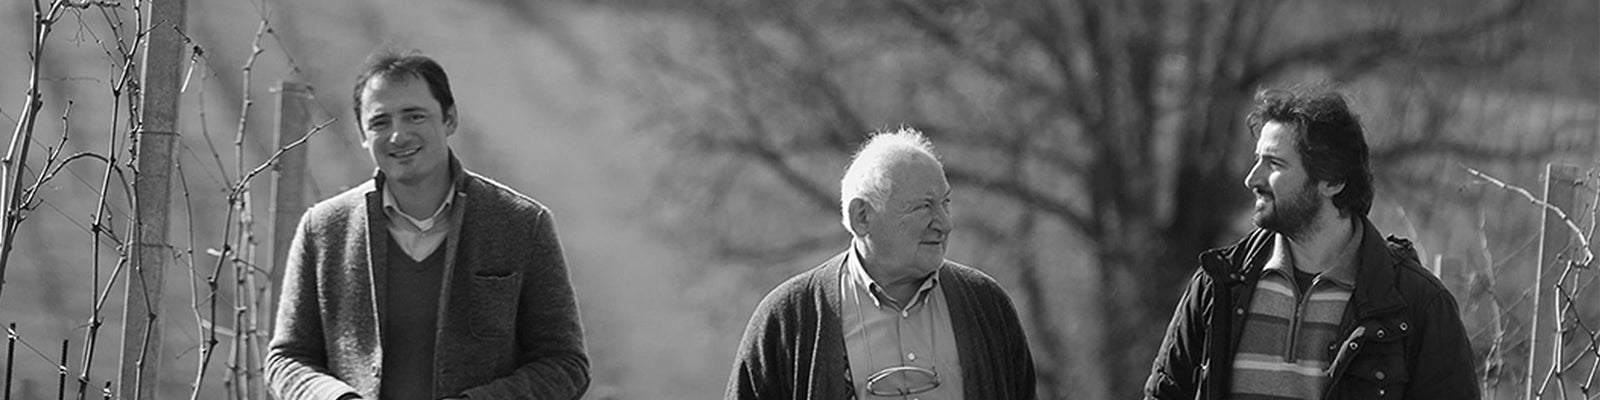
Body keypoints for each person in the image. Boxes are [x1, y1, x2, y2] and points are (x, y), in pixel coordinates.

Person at [265, 51, 589, 400]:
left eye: (414, 116)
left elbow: (564, 364)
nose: (398, 136)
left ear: (450, 119)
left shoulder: (521, 223)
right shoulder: (324, 230)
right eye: (379, 122)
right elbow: (287, 359)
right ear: (362, 133)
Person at [1143, 86, 1478, 399]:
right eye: (1257, 160)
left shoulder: (1418, 306)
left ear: (1331, 181)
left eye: (1274, 163)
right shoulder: (1217, 286)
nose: (1252, 179)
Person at [725, 128, 1036, 400]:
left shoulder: (986, 304)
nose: (944, 223)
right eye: (923, 207)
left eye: (945, 203)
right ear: (862, 217)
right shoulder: (790, 318)